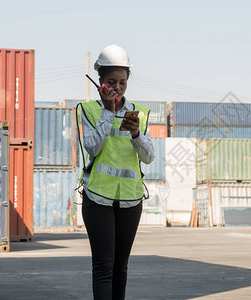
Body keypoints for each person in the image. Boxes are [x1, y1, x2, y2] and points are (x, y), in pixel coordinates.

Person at [78, 44, 154, 300]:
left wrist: (136, 134)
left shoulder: (140, 115)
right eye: (112, 81)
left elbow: (149, 157)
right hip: (98, 198)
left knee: (121, 267)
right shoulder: (89, 111)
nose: (118, 88)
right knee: (103, 266)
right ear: (100, 82)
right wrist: (109, 113)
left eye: (122, 82)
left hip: (131, 199)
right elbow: (92, 147)